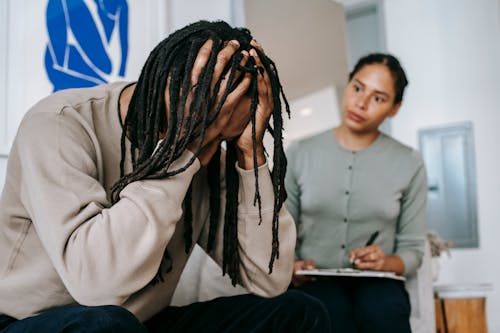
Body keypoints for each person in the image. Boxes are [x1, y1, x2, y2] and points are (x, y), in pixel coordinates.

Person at [0, 20, 330, 332]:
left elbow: (270, 278)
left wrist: (251, 153)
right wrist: (183, 153)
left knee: (299, 312)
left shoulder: (210, 154)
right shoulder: (58, 124)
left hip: (138, 323)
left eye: (225, 137)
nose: (212, 149)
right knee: (107, 326)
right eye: (210, 132)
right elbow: (96, 287)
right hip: (32, 321)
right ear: (174, 89)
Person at [285, 53, 427, 333]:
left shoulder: (409, 162)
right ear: (348, 84)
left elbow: (412, 251)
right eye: (358, 88)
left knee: (385, 312)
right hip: (315, 281)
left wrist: (384, 262)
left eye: (378, 98)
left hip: (379, 282)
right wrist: (290, 266)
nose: (361, 103)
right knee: (326, 313)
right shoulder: (301, 153)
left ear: (394, 108)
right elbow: (280, 231)